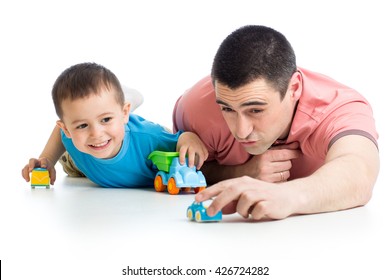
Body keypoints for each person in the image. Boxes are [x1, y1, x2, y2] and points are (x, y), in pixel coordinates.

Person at [173, 25, 379, 220]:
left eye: (255, 110)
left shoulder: (339, 107)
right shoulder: (197, 108)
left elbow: (359, 169)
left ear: (295, 88)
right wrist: (241, 173)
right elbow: (179, 164)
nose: (241, 131)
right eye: (227, 109)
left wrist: (288, 196)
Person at [22, 62, 208, 188]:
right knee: (71, 166)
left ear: (126, 113)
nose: (96, 133)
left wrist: (189, 137)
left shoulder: (149, 140)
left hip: (134, 144)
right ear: (67, 129)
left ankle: (124, 100)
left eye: (105, 120)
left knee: (107, 127)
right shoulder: (71, 136)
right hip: (82, 161)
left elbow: (180, 138)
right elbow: (60, 132)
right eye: (82, 125)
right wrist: (47, 159)